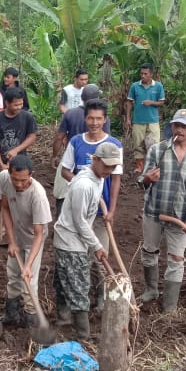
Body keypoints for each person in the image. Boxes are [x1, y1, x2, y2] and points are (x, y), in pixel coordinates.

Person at [138, 109, 186, 311]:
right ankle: (151, 290)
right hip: (154, 212)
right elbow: (142, 180)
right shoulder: (157, 150)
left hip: (180, 217)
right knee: (149, 252)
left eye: (184, 126)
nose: (179, 129)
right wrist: (147, 179)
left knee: (177, 259)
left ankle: (170, 305)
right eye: (176, 125)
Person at [60, 99, 123, 311]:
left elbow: (115, 179)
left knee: (100, 254)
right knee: (79, 255)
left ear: (105, 120)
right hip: (80, 209)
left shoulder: (114, 145)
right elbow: (65, 170)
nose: (94, 122)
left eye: (98, 119)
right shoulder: (76, 141)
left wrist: (111, 209)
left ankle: (101, 298)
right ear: (84, 118)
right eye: (90, 118)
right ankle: (78, 297)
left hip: (100, 212)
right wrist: (81, 183)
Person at [53, 142, 117, 340]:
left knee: (65, 282)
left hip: (76, 239)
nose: (109, 170)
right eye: (106, 166)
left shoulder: (96, 178)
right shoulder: (83, 185)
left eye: (113, 167)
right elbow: (80, 221)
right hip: (70, 241)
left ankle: (63, 322)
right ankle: (83, 336)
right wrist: (97, 245)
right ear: (95, 160)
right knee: (78, 287)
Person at [0, 155, 52, 327]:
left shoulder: (37, 196)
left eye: (23, 180)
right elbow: (4, 207)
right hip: (17, 234)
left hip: (33, 239)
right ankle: (11, 315)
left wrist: (28, 264)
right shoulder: (4, 178)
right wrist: (11, 241)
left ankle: (31, 321)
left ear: (31, 175)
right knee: (13, 275)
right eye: (15, 179)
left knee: (29, 282)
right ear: (9, 173)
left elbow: (39, 234)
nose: (18, 184)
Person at [0, 88, 38, 245]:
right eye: (15, 105)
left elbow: (32, 136)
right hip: (0, 164)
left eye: (21, 104)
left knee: (22, 195)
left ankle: (19, 229)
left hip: (21, 166)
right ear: (6, 103)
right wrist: (1, 164)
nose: (18, 107)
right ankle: (3, 230)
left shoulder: (27, 117)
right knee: (3, 198)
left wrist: (16, 150)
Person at [52, 85, 112, 214]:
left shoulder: (70, 113)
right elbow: (106, 142)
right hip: (95, 161)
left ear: (82, 97)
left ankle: (60, 222)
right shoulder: (102, 118)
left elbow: (59, 137)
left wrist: (55, 156)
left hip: (71, 158)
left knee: (62, 193)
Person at [125, 63, 165, 176]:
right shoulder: (135, 86)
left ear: (151, 74)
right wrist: (128, 118)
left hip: (153, 121)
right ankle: (139, 167)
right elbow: (129, 102)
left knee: (154, 144)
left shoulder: (158, 86)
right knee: (138, 144)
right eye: (141, 73)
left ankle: (153, 167)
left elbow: (162, 102)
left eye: (145, 74)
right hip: (138, 121)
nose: (143, 76)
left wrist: (151, 102)